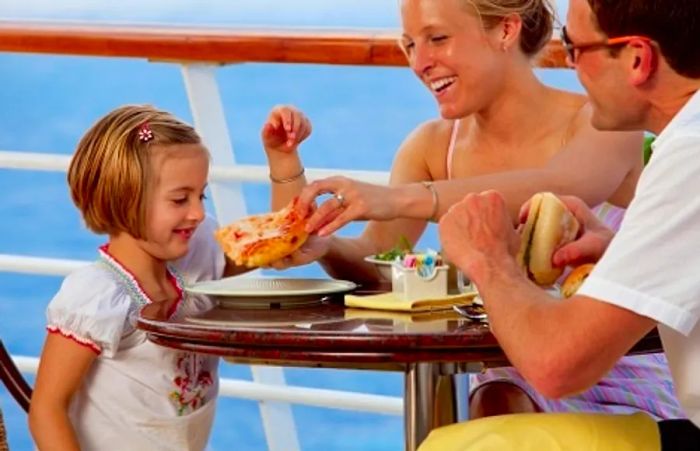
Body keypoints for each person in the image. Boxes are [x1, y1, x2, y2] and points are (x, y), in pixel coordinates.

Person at [264, 0, 682, 421]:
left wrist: (402, 198)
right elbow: (378, 260)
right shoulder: (432, 147)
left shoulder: (605, 121)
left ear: (505, 31)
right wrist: (326, 245)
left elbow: (563, 182)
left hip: (621, 376)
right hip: (509, 383)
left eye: (438, 39)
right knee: (495, 396)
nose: (420, 63)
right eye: (409, 45)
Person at [426, 0, 700, 448]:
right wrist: (620, 253)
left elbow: (556, 366)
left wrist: (488, 258)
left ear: (637, 58)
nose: (568, 66)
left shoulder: (690, 155)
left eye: (575, 48)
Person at [27, 104, 309, 450]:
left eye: (201, 194)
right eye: (180, 199)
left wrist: (283, 159)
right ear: (124, 199)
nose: (198, 212)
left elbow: (280, 244)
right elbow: (46, 409)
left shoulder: (198, 255)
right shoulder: (98, 296)